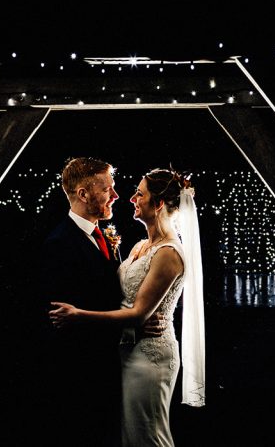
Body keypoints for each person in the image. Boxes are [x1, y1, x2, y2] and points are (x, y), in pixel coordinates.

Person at [49, 168, 206, 447]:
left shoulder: (169, 253)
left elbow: (138, 312)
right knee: (129, 436)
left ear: (157, 204)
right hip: (125, 352)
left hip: (150, 356)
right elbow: (123, 298)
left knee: (148, 435)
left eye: (140, 193)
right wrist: (131, 319)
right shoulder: (139, 247)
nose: (131, 198)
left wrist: (79, 315)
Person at [40, 157, 146, 447]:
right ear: (83, 194)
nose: (116, 195)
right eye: (107, 189)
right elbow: (60, 319)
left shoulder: (103, 234)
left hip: (112, 364)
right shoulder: (60, 244)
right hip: (83, 373)